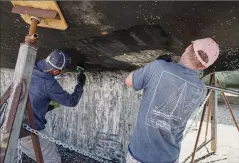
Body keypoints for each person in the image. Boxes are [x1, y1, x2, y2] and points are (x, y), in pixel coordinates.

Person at [125, 38, 219, 163]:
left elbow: (129, 81)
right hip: (170, 158)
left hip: (140, 156)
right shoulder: (201, 89)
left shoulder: (159, 67)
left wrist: (151, 67)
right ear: (204, 66)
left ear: (187, 48)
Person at [17, 49, 86, 163]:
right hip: (29, 130)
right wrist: (81, 84)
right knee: (52, 159)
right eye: (62, 71)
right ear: (55, 71)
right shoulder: (49, 84)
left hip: (11, 122)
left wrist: (48, 104)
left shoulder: (31, 66)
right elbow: (71, 101)